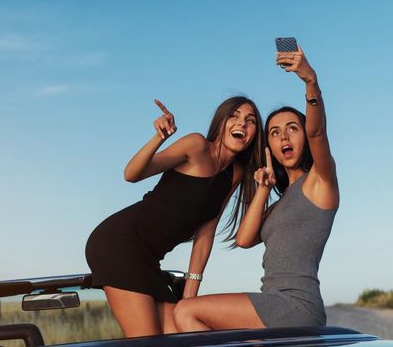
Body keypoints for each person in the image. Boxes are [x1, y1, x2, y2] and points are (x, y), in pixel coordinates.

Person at [173, 45, 339, 331]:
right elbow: (244, 238)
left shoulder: (320, 181)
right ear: (269, 147)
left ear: (304, 137)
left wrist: (310, 82)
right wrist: (262, 188)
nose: (283, 136)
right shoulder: (282, 201)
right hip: (274, 302)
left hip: (297, 305)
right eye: (275, 132)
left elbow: (318, 131)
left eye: (292, 128)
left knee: (187, 311)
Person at [85, 96, 264, 337]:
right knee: (148, 342)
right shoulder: (196, 145)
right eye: (234, 116)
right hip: (120, 242)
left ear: (255, 133)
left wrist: (191, 291)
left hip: (149, 260)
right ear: (221, 122)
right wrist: (159, 138)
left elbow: (207, 230)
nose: (241, 123)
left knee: (180, 335)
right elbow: (131, 174)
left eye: (250, 120)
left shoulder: (235, 173)